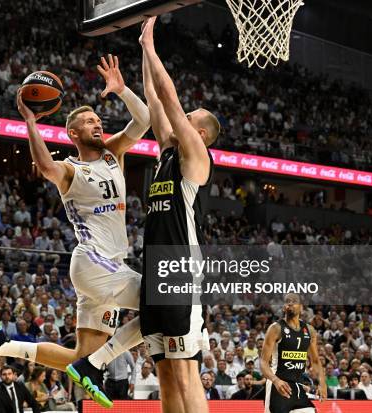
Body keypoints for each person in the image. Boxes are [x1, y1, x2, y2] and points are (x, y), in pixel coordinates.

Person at [0, 54, 151, 409]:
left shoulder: (113, 154)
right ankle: (97, 364)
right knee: (166, 301)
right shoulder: (69, 169)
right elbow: (43, 166)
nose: (97, 124)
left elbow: (145, 119)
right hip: (94, 263)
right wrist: (31, 121)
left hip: (107, 270)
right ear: (73, 133)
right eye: (89, 122)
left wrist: (121, 90)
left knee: (80, 356)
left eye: (98, 120)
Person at [135, 16, 219, 413]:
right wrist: (141, 49)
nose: (180, 122)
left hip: (180, 270)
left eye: (190, 121)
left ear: (199, 134)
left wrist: (153, 47)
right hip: (154, 269)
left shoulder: (197, 158)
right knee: (164, 369)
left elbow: (170, 100)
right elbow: (154, 96)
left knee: (186, 370)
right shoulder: (166, 153)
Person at [260, 294, 327, 412]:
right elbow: (263, 362)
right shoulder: (275, 328)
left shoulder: (310, 331)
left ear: (301, 307)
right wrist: (276, 380)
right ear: (283, 307)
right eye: (287, 301)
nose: (290, 303)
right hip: (278, 386)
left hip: (298, 387)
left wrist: (322, 383)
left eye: (294, 301)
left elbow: (316, 361)